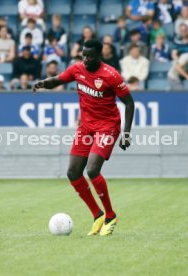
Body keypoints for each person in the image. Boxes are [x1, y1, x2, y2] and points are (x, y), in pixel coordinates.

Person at [34, 39, 135, 236]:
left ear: (99, 55)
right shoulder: (77, 69)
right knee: (73, 172)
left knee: (93, 169)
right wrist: (43, 83)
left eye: (89, 56)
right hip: (86, 127)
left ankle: (110, 215)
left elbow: (129, 103)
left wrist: (126, 133)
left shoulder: (111, 75)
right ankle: (97, 215)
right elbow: (59, 80)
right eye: (83, 55)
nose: (85, 59)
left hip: (107, 127)